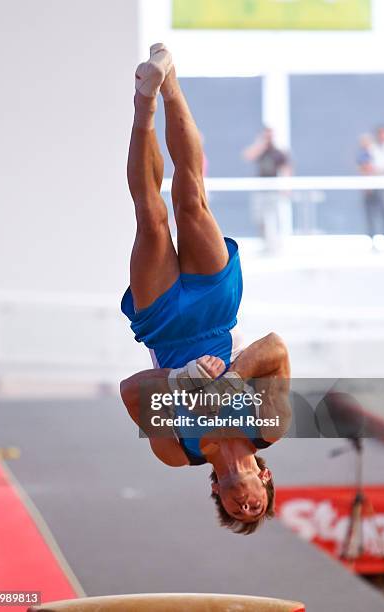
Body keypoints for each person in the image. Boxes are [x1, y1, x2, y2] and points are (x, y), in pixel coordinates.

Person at [120, 44, 291, 535]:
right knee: (190, 197)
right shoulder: (269, 427)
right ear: (266, 478)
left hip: (166, 328)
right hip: (216, 314)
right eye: (256, 507)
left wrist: (184, 377)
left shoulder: (178, 452)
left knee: (151, 218)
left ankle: (144, 106)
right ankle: (168, 82)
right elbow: (276, 348)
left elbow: (131, 393)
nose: (245, 505)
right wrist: (231, 379)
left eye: (235, 510)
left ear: (215, 492)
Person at [242, 128, 293, 252]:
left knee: (275, 217)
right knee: (259, 217)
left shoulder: (278, 153)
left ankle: (276, 243)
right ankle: (264, 243)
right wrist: (260, 145)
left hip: (274, 190)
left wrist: (286, 186)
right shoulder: (261, 151)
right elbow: (247, 156)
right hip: (261, 190)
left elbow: (286, 168)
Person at [357, 130, 384, 241]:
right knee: (371, 214)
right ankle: (372, 238)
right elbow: (366, 167)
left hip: (383, 186)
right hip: (371, 187)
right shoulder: (371, 151)